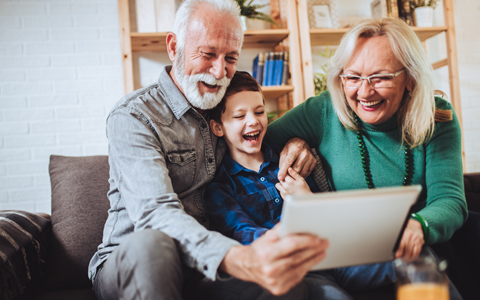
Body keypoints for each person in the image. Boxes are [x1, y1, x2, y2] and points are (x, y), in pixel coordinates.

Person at [89, 0, 328, 299]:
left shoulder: (222, 108)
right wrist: (237, 257)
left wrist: (297, 142)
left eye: (230, 57)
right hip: (133, 262)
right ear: (174, 47)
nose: (219, 71)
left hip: (203, 268)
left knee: (288, 285)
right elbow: (154, 214)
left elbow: (263, 138)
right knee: (152, 244)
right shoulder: (134, 116)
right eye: (207, 54)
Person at [265, 18, 467, 298]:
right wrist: (296, 141)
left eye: (381, 77)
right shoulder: (323, 111)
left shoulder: (437, 116)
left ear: (409, 77)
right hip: (349, 257)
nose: (364, 91)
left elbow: (450, 200)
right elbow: (251, 140)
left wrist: (418, 225)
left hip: (414, 254)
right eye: (353, 77)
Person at [203, 71, 403, 299]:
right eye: (239, 116)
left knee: (409, 256)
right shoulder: (220, 186)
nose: (253, 120)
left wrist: (307, 198)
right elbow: (241, 233)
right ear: (218, 127)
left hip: (335, 253)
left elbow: (326, 216)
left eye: (259, 111)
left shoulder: (289, 158)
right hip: (298, 269)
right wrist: (287, 239)